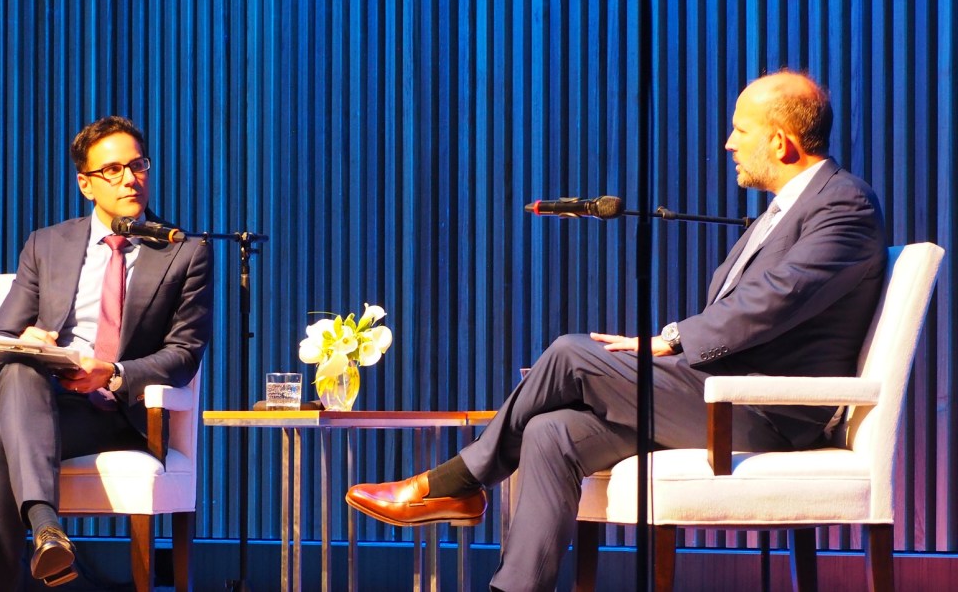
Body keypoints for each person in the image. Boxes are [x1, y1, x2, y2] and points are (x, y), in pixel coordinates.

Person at [345, 70, 887, 591]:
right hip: (715, 396)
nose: (728, 143)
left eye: (740, 130)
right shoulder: (785, 211)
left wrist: (669, 340)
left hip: (765, 412)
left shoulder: (844, 204)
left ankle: (458, 483)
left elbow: (775, 299)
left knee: (570, 354)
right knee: (549, 432)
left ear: (780, 141)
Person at [0, 116, 213, 590]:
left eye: (138, 165)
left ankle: (40, 538)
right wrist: (31, 341)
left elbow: (184, 354)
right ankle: (48, 530)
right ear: (86, 184)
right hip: (40, 393)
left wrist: (113, 372)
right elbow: (2, 334)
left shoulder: (183, 252)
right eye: (113, 170)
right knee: (18, 367)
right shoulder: (46, 243)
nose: (129, 179)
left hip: (108, 412)